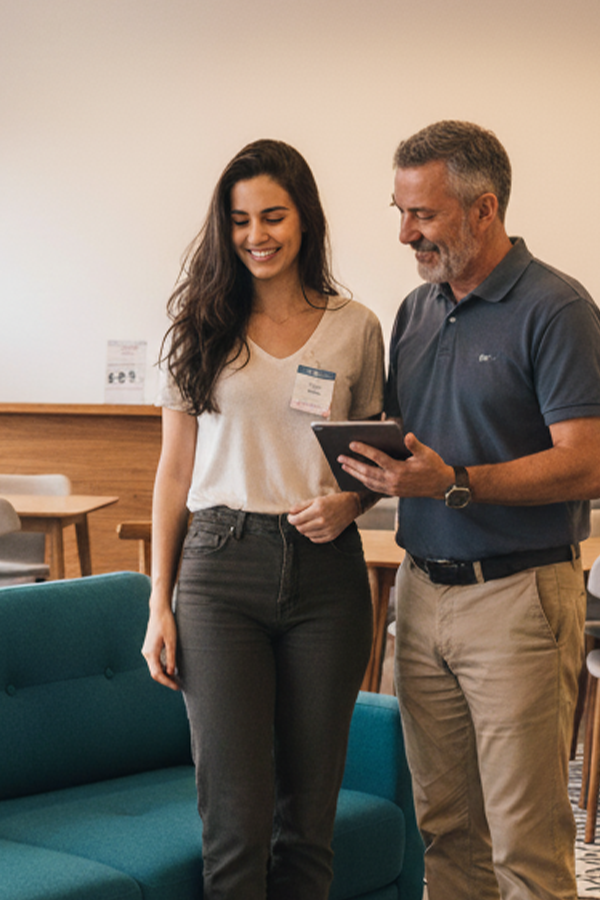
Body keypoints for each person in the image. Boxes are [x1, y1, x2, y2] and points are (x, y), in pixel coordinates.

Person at [340, 120, 600, 900]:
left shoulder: (557, 309)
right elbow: (408, 454)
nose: (404, 233)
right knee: (446, 831)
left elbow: (588, 465)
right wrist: (351, 482)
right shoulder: (415, 311)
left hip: (517, 600)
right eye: (398, 211)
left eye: (422, 214)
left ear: (483, 209)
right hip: (421, 596)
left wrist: (456, 482)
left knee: (525, 846)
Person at [141, 138, 384, 900]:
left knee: (308, 824)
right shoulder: (197, 323)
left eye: (272, 217)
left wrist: (352, 502)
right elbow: (173, 472)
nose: (257, 236)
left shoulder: (357, 327)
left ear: (304, 217)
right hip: (219, 573)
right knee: (236, 825)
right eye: (240, 220)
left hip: (327, 578)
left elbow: (375, 458)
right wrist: (158, 603)